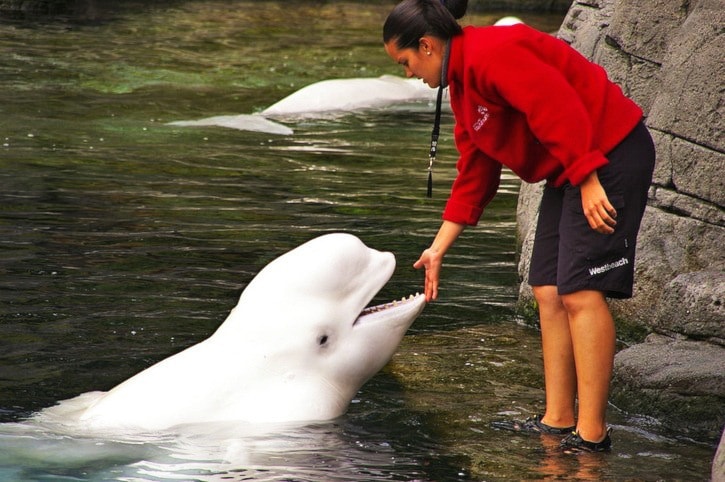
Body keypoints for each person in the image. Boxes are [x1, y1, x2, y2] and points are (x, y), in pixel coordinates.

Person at [383, 0, 655, 454]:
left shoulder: (493, 53)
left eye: (405, 62)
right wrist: (438, 248)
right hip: (573, 167)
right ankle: (558, 419)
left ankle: (592, 436)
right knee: (547, 289)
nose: (408, 73)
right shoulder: (463, 85)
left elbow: (556, 104)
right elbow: (476, 169)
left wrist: (588, 177)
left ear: (426, 46)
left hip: (608, 152)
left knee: (581, 292)